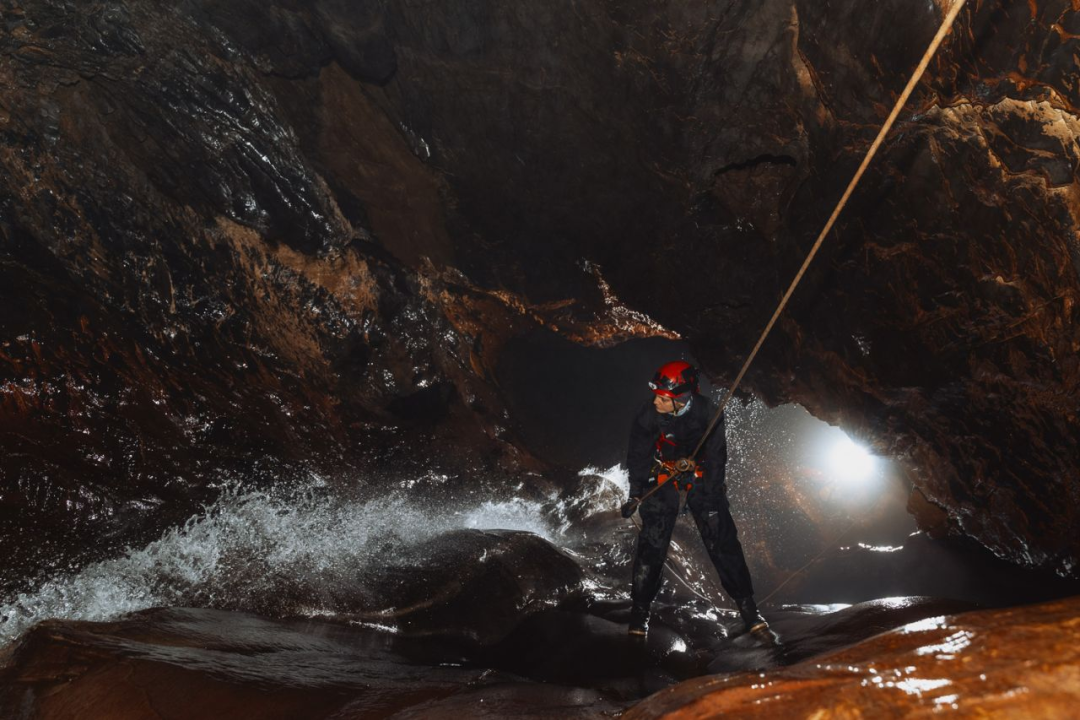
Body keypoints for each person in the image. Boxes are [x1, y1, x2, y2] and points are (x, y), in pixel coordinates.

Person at [620, 360, 768, 637]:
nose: (656, 402)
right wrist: (636, 494)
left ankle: (749, 610)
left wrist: (710, 499)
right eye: (656, 396)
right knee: (651, 546)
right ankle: (639, 614)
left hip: (702, 480)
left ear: (682, 399)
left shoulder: (708, 414)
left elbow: (716, 458)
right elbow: (638, 456)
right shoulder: (647, 415)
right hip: (664, 480)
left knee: (722, 541)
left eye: (664, 399)